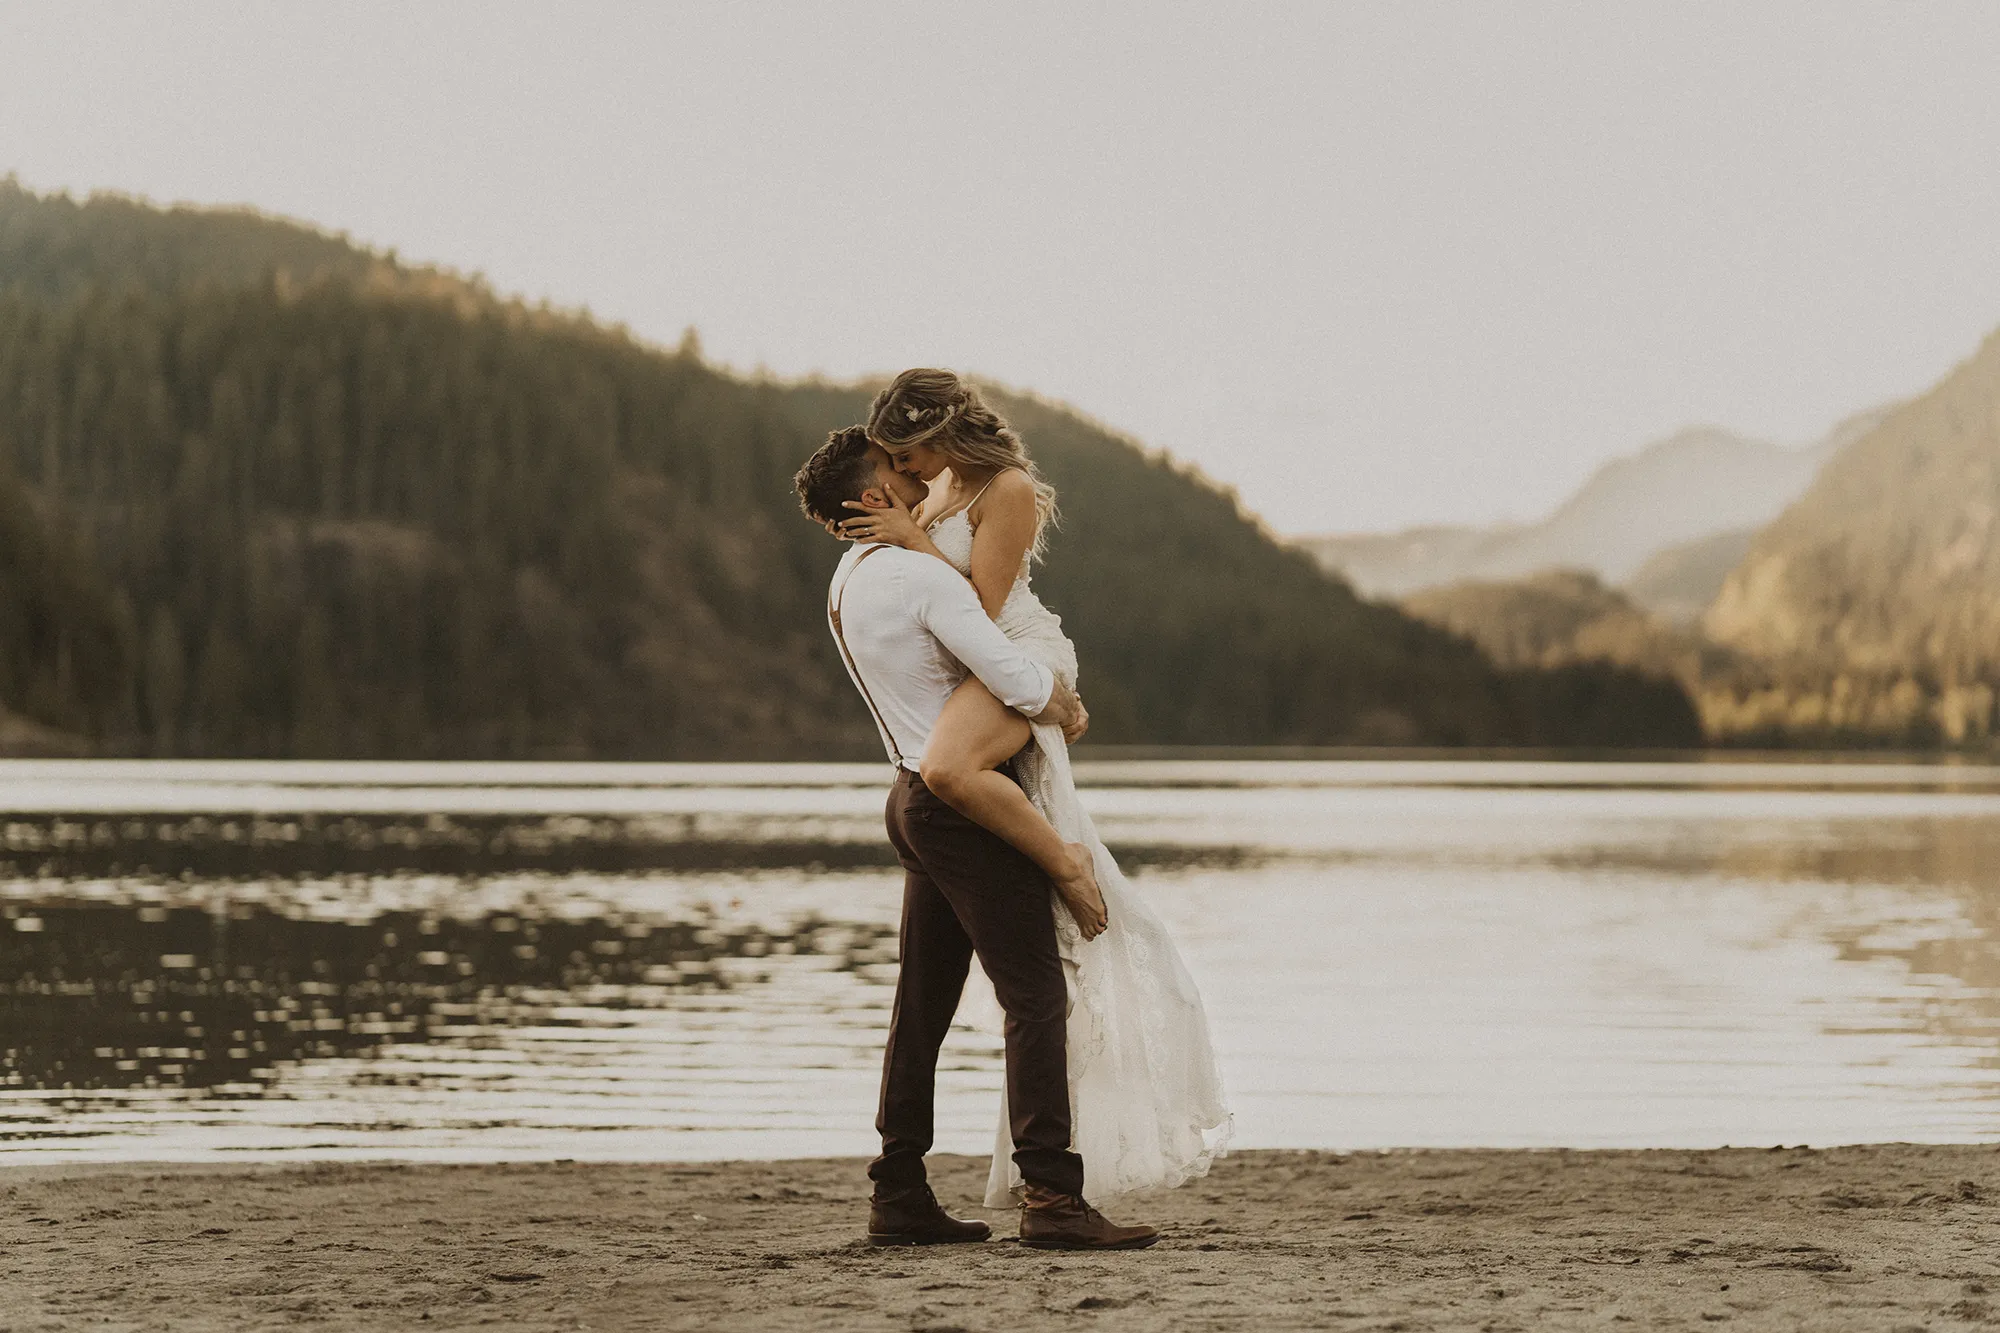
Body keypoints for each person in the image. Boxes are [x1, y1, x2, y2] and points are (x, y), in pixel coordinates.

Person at [819, 369, 1232, 1211]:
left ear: (938, 436)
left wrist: (1046, 688)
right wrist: (1054, 701)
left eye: (908, 450)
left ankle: (899, 1188)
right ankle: (1048, 1193)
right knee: (1031, 992)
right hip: (956, 764)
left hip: (945, 744)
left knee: (925, 1002)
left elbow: (979, 609)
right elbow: (959, 619)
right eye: (893, 459)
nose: (906, 465)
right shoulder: (920, 515)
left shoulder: (984, 498)